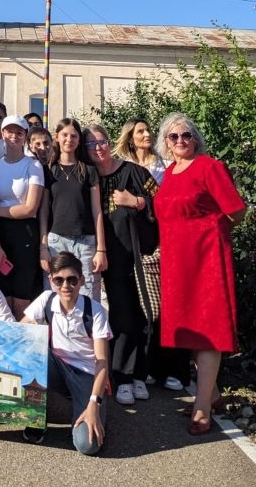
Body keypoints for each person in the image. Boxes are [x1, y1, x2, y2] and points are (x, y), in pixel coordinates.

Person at [153, 113, 246, 436]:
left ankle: (202, 407)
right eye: (174, 136)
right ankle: (213, 394)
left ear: (196, 139)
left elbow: (236, 210)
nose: (180, 141)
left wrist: (213, 232)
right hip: (177, 263)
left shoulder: (209, 167)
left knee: (209, 330)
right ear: (166, 142)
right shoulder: (170, 173)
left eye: (186, 135)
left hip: (206, 261)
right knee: (191, 330)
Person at [115, 118, 188, 393]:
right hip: (133, 245)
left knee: (167, 307)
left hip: (165, 241)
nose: (147, 134)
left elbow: (169, 203)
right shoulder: (122, 167)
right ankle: (143, 367)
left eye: (148, 130)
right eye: (140, 131)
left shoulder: (165, 166)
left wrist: (138, 202)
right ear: (130, 138)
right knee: (140, 309)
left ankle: (173, 369)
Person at [85, 124, 156, 405]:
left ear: (110, 142)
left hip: (138, 256)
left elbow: (163, 199)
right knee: (121, 315)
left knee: (144, 314)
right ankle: (122, 376)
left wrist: (137, 201)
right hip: (106, 258)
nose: (98, 148)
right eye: (91, 145)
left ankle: (139, 374)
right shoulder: (88, 177)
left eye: (101, 142)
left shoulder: (134, 172)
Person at [22, 252, 112, 454]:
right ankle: (36, 417)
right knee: (30, 349)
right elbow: (19, 332)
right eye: (59, 280)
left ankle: (94, 405)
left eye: (72, 280)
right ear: (51, 281)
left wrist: (94, 403)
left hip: (87, 374)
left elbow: (102, 362)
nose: (65, 286)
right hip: (58, 366)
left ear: (81, 280)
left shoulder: (95, 311)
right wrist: (31, 330)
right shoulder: (47, 299)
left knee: (87, 445)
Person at [40, 118, 107, 300]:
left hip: (86, 242)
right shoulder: (49, 170)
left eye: (74, 136)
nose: (69, 139)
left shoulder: (89, 170)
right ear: (57, 137)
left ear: (79, 140)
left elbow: (97, 211)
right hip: (56, 241)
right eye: (65, 135)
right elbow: (44, 211)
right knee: (55, 298)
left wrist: (101, 249)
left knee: (88, 297)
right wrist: (43, 246)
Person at [0, 114, 45, 319]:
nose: (14, 136)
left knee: (21, 297)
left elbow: (30, 208)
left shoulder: (33, 166)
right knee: (1, 297)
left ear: (25, 136)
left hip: (26, 234)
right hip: (0, 234)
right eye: (10, 131)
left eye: (19, 132)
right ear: (3, 134)